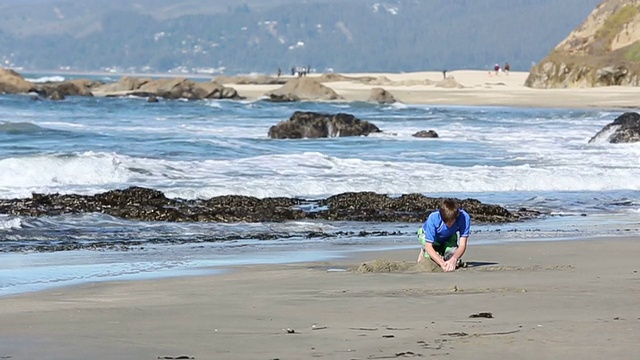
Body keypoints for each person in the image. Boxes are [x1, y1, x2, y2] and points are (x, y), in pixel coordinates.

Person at [416, 198, 470, 272]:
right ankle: (425, 251)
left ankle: (442, 250)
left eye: (451, 222)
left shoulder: (464, 218)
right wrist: (441, 263)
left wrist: (454, 259)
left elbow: (463, 244)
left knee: (452, 257)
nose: (449, 224)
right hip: (427, 236)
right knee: (431, 259)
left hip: (449, 236)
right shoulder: (433, 218)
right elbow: (428, 245)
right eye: (446, 222)